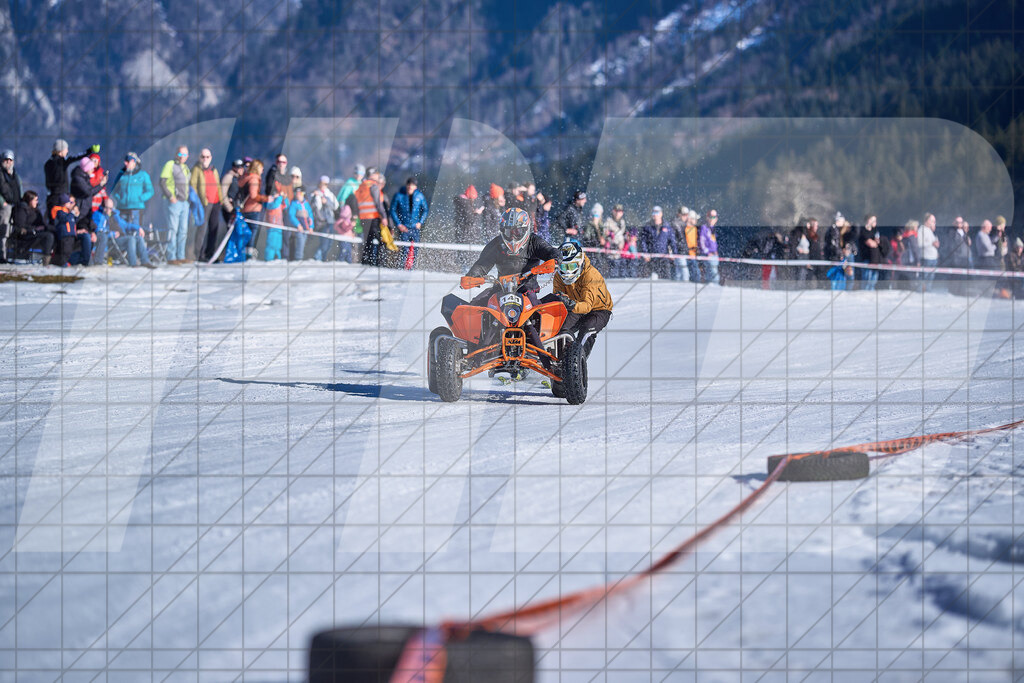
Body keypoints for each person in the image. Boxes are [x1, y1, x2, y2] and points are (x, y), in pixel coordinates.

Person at [462, 207, 559, 355]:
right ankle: (475, 350)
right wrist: (472, 277)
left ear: (525, 230)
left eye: (517, 232)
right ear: (502, 231)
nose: (513, 237)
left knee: (537, 312)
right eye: (509, 232)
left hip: (527, 288)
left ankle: (538, 349)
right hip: (501, 287)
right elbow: (482, 265)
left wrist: (555, 260)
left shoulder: (534, 241)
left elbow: (551, 251)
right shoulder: (496, 245)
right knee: (476, 305)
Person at [547, 238, 613, 358]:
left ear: (579, 263)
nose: (567, 272)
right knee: (560, 329)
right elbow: (559, 298)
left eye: (571, 266)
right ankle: (556, 363)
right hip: (575, 305)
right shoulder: (558, 276)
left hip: (599, 310)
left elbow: (587, 306)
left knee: (587, 330)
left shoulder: (591, 275)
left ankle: (577, 363)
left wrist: (569, 303)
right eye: (563, 266)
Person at [188, 148, 222, 262]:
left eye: (207, 157)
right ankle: (199, 254)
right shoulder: (196, 170)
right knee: (201, 229)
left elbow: (218, 184)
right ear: (199, 158)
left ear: (211, 158)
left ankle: (210, 253)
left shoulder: (214, 169)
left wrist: (221, 198)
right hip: (204, 203)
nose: (205, 159)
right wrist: (198, 201)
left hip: (216, 202)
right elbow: (192, 186)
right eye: (203, 156)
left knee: (214, 228)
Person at [160, 146, 192, 264]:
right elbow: (162, 182)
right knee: (173, 229)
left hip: (184, 203)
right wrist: (171, 196)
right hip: (174, 202)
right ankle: (171, 256)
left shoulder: (186, 168)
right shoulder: (170, 165)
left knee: (183, 230)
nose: (182, 157)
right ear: (176, 154)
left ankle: (181, 255)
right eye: (180, 154)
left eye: (185, 155)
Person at [389, 176, 429, 269]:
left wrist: (420, 222)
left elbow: (425, 210)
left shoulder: (420, 196)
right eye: (409, 185)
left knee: (415, 250)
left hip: (415, 228)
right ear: (406, 185)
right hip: (404, 228)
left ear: (415, 186)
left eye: (413, 185)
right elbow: (392, 210)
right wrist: (399, 224)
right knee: (404, 250)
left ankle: (412, 269)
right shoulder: (399, 196)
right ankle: (402, 268)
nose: (410, 187)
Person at [44, 139, 92, 212]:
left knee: (53, 219)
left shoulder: (47, 164)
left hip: (51, 196)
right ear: (61, 150)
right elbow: (75, 157)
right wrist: (89, 151)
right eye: (66, 149)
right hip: (62, 196)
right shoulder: (61, 161)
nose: (67, 151)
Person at [356, 168, 390, 267]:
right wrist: (384, 216)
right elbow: (378, 203)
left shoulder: (361, 186)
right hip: (373, 218)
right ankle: (379, 263)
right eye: (376, 174)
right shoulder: (373, 186)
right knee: (381, 240)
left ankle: (365, 262)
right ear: (372, 175)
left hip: (363, 218)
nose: (378, 176)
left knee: (367, 241)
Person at [111, 152, 154, 229]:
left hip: (136, 209)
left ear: (134, 162)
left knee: (136, 230)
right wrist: (120, 199)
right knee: (122, 230)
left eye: (128, 161)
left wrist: (140, 199)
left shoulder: (143, 175)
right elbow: (114, 189)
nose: (125, 163)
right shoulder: (121, 175)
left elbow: (150, 191)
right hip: (122, 208)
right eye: (125, 161)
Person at [11, 191, 54, 264]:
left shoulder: (36, 210)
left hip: (37, 232)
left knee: (53, 232)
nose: (37, 202)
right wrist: (34, 229)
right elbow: (20, 226)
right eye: (35, 200)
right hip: (26, 234)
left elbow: (41, 222)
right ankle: (46, 260)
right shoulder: (22, 209)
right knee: (49, 236)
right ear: (29, 200)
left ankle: (56, 258)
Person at [240, 160, 268, 256]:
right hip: (253, 209)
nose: (262, 170)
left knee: (246, 232)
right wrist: (266, 199)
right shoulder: (254, 179)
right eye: (261, 168)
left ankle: (245, 252)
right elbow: (253, 195)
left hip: (246, 209)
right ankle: (249, 253)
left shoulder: (246, 177)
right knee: (252, 232)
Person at [640, 206, 676, 279]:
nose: (655, 214)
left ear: (661, 214)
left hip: (664, 257)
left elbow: (672, 241)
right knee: (652, 280)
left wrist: (674, 254)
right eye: (653, 212)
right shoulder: (647, 226)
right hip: (652, 257)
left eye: (657, 212)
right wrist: (645, 253)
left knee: (666, 279)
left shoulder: (667, 226)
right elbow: (643, 241)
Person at [0, 150, 22, 262]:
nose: (8, 162)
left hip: (16, 205)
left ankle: (11, 255)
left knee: (12, 230)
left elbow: (19, 188)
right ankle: (2, 256)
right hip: (5, 207)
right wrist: (2, 202)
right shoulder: (0, 173)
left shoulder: (15, 174)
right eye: (6, 159)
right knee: (3, 231)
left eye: (10, 160)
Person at [311, 176, 340, 261]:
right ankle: (317, 258)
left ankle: (323, 258)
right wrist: (316, 198)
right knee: (323, 242)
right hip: (321, 221)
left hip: (330, 221)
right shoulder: (315, 193)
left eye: (325, 184)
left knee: (329, 242)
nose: (323, 185)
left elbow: (335, 206)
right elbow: (315, 207)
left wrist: (326, 201)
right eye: (322, 183)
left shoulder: (329, 194)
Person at [857, 215, 885, 291]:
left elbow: (878, 242)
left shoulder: (875, 231)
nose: (875, 222)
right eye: (873, 220)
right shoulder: (863, 231)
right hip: (866, 258)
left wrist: (877, 242)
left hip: (875, 259)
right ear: (868, 220)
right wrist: (875, 242)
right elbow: (871, 244)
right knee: (867, 280)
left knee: (873, 281)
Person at [287, 185, 314, 260]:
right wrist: (298, 225)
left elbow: (310, 216)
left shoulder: (306, 204)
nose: (298, 195)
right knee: (300, 244)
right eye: (297, 193)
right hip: (299, 229)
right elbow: (291, 215)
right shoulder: (294, 204)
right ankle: (298, 259)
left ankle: (299, 258)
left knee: (303, 245)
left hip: (306, 229)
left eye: (300, 193)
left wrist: (311, 227)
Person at [603, 203, 628, 278]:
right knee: (613, 275)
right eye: (616, 211)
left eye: (619, 211)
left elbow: (623, 234)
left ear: (622, 213)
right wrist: (610, 235)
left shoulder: (623, 222)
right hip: (611, 252)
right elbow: (605, 234)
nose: (617, 213)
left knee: (622, 276)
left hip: (621, 253)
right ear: (613, 211)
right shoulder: (608, 221)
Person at [918, 213, 940, 289]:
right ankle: (919, 292)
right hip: (926, 258)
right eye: (932, 221)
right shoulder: (922, 230)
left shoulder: (930, 231)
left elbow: (933, 244)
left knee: (930, 278)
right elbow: (920, 243)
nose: (934, 223)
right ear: (927, 221)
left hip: (933, 259)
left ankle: (928, 292)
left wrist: (936, 250)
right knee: (924, 277)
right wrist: (932, 243)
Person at [699, 209, 720, 284]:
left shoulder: (712, 228)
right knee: (714, 275)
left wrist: (716, 251)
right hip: (708, 255)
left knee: (709, 274)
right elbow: (701, 241)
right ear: (707, 217)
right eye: (711, 216)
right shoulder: (704, 227)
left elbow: (713, 242)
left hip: (714, 255)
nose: (712, 219)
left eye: (714, 217)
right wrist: (707, 252)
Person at [684, 210, 701, 282]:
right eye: (695, 219)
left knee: (696, 275)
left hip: (694, 256)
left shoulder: (695, 229)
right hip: (687, 256)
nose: (696, 220)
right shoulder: (684, 229)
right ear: (690, 219)